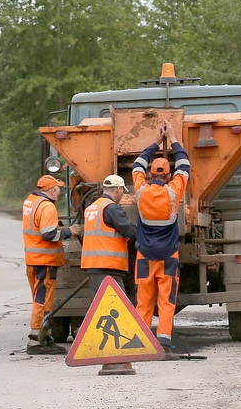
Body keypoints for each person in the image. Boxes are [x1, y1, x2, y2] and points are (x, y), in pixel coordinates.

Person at [132, 121, 191, 357]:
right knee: (166, 301)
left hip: (144, 255)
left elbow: (137, 165)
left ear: (149, 174)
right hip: (168, 256)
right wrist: (174, 138)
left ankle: (142, 342)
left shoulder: (141, 190)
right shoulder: (173, 191)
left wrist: (156, 142)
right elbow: (185, 165)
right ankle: (164, 342)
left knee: (143, 301)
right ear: (168, 175)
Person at [22, 174, 73, 354]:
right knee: (42, 301)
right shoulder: (47, 207)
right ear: (51, 190)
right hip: (45, 262)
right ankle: (35, 341)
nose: (59, 193)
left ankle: (46, 336)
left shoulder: (31, 201)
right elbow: (49, 235)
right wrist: (69, 231)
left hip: (33, 261)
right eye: (58, 189)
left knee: (42, 299)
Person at [81, 174, 137, 302]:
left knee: (101, 305)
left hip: (93, 265)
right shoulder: (111, 208)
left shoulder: (91, 208)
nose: (122, 194)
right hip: (108, 266)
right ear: (117, 189)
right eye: (122, 190)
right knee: (117, 306)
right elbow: (129, 231)